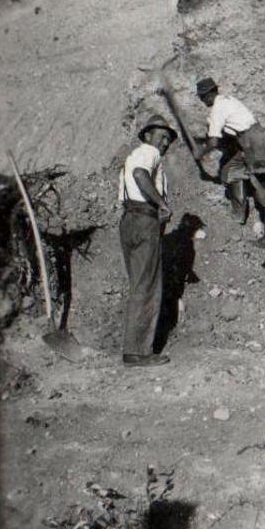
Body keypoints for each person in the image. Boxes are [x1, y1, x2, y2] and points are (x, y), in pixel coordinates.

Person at [119, 115, 179, 367]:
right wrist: (162, 204)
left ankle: (134, 347)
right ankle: (138, 352)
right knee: (147, 286)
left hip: (129, 220)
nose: (164, 142)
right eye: (160, 136)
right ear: (146, 136)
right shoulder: (148, 153)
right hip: (144, 220)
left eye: (167, 139)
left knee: (138, 284)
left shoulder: (132, 156)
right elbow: (141, 175)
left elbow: (130, 183)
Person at [196, 76, 265, 247]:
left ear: (208, 95)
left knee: (260, 187)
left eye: (202, 97)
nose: (202, 101)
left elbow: (213, 142)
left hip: (253, 141)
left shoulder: (218, 108)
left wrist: (201, 153)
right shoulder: (228, 100)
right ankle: (239, 214)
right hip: (251, 140)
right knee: (229, 172)